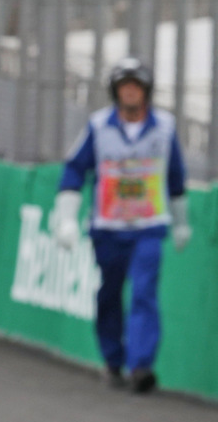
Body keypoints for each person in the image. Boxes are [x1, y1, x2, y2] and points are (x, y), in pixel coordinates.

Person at [52, 57, 190, 394]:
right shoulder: (98, 127)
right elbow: (74, 170)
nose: (130, 92)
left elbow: (175, 177)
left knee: (144, 292)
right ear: (115, 92)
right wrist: (66, 216)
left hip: (149, 226)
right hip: (108, 228)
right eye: (124, 86)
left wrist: (181, 222)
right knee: (110, 293)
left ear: (145, 91)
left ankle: (141, 366)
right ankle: (114, 357)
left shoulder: (165, 128)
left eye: (136, 86)